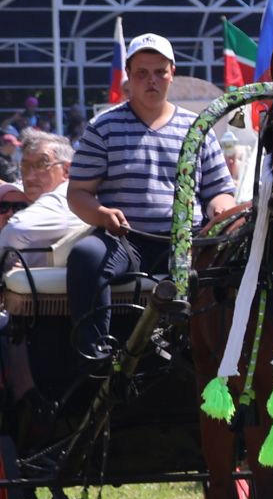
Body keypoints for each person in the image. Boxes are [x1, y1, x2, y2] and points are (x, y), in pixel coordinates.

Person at [65, 35, 237, 359]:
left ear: (173, 72)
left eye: (159, 72)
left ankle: (218, 351)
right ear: (128, 76)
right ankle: (95, 355)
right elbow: (78, 193)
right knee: (86, 257)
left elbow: (220, 192)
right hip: (126, 241)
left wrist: (220, 208)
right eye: (142, 73)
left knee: (234, 265)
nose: (152, 80)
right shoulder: (102, 127)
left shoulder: (198, 128)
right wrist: (101, 214)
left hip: (188, 242)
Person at [0, 130, 80, 265]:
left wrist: (5, 265)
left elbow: (17, 229)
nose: (29, 176)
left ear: (66, 170)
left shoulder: (65, 198)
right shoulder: (45, 191)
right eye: (25, 166)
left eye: (42, 165)